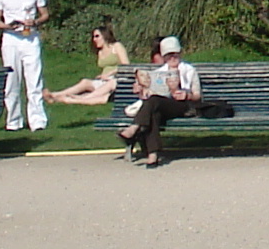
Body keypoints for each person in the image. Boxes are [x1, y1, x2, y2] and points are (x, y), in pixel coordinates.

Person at [119, 37, 200, 168]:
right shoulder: (159, 73)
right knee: (154, 113)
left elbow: (197, 96)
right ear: (164, 57)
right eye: (168, 55)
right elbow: (147, 95)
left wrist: (187, 94)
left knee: (154, 101)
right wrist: (140, 89)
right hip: (161, 105)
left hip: (182, 105)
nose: (173, 58)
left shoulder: (189, 70)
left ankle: (134, 128)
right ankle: (153, 155)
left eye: (175, 54)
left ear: (180, 53)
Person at [0, 0, 50, 131]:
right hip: (11, 39)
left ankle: (37, 120)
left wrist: (35, 21)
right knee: (11, 80)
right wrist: (8, 26)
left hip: (30, 38)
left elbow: (45, 14)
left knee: (34, 80)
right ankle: (14, 120)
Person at [49, 23, 131, 107]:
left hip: (116, 78)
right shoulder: (100, 52)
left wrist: (110, 73)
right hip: (103, 80)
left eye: (97, 36)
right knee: (85, 82)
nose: (94, 39)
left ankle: (80, 99)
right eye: (93, 37)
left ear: (105, 35)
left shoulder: (116, 46)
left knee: (105, 86)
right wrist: (103, 76)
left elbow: (126, 66)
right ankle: (56, 94)